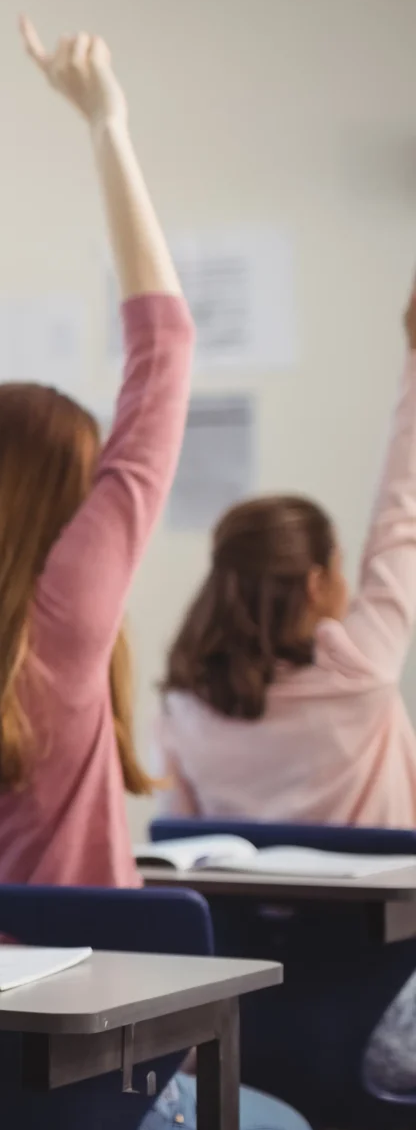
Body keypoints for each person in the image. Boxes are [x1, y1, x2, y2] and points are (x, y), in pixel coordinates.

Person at [0, 19, 318, 1130]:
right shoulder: (65, 616)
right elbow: (163, 350)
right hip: (98, 1090)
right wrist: (108, 126)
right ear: (66, 511)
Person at [158, 271, 416, 825]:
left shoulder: (185, 708)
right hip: (379, 915)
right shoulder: (363, 671)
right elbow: (401, 519)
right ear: (316, 583)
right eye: (342, 569)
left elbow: (181, 848)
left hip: (238, 916)